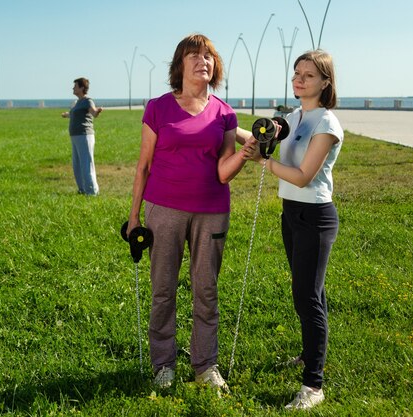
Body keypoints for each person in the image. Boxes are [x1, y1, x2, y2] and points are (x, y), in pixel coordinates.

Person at [126, 34, 250, 391]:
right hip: (164, 210)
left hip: (212, 211)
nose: (204, 61)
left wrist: (245, 153)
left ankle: (205, 365)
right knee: (163, 289)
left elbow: (223, 170)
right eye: (195, 55)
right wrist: (134, 217)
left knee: (206, 290)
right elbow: (143, 166)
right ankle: (163, 364)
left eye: (209, 56)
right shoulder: (158, 108)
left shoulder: (225, 113)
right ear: (179, 65)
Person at [239, 49, 343, 410]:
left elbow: (302, 176)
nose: (299, 80)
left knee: (306, 296)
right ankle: (308, 354)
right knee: (310, 292)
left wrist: (264, 161)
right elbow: (271, 132)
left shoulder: (326, 124)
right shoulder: (294, 116)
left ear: (325, 82)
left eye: (309, 75)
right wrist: (253, 135)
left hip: (315, 217)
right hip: (291, 214)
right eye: (296, 73)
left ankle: (314, 385)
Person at [61, 78, 103, 195]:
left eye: (75, 86)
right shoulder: (78, 102)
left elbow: (93, 113)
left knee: (86, 164)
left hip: (85, 136)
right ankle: (82, 189)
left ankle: (92, 192)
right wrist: (67, 115)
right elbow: (76, 114)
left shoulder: (88, 101)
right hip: (75, 136)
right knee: (77, 165)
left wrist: (97, 111)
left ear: (81, 88)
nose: (73, 88)